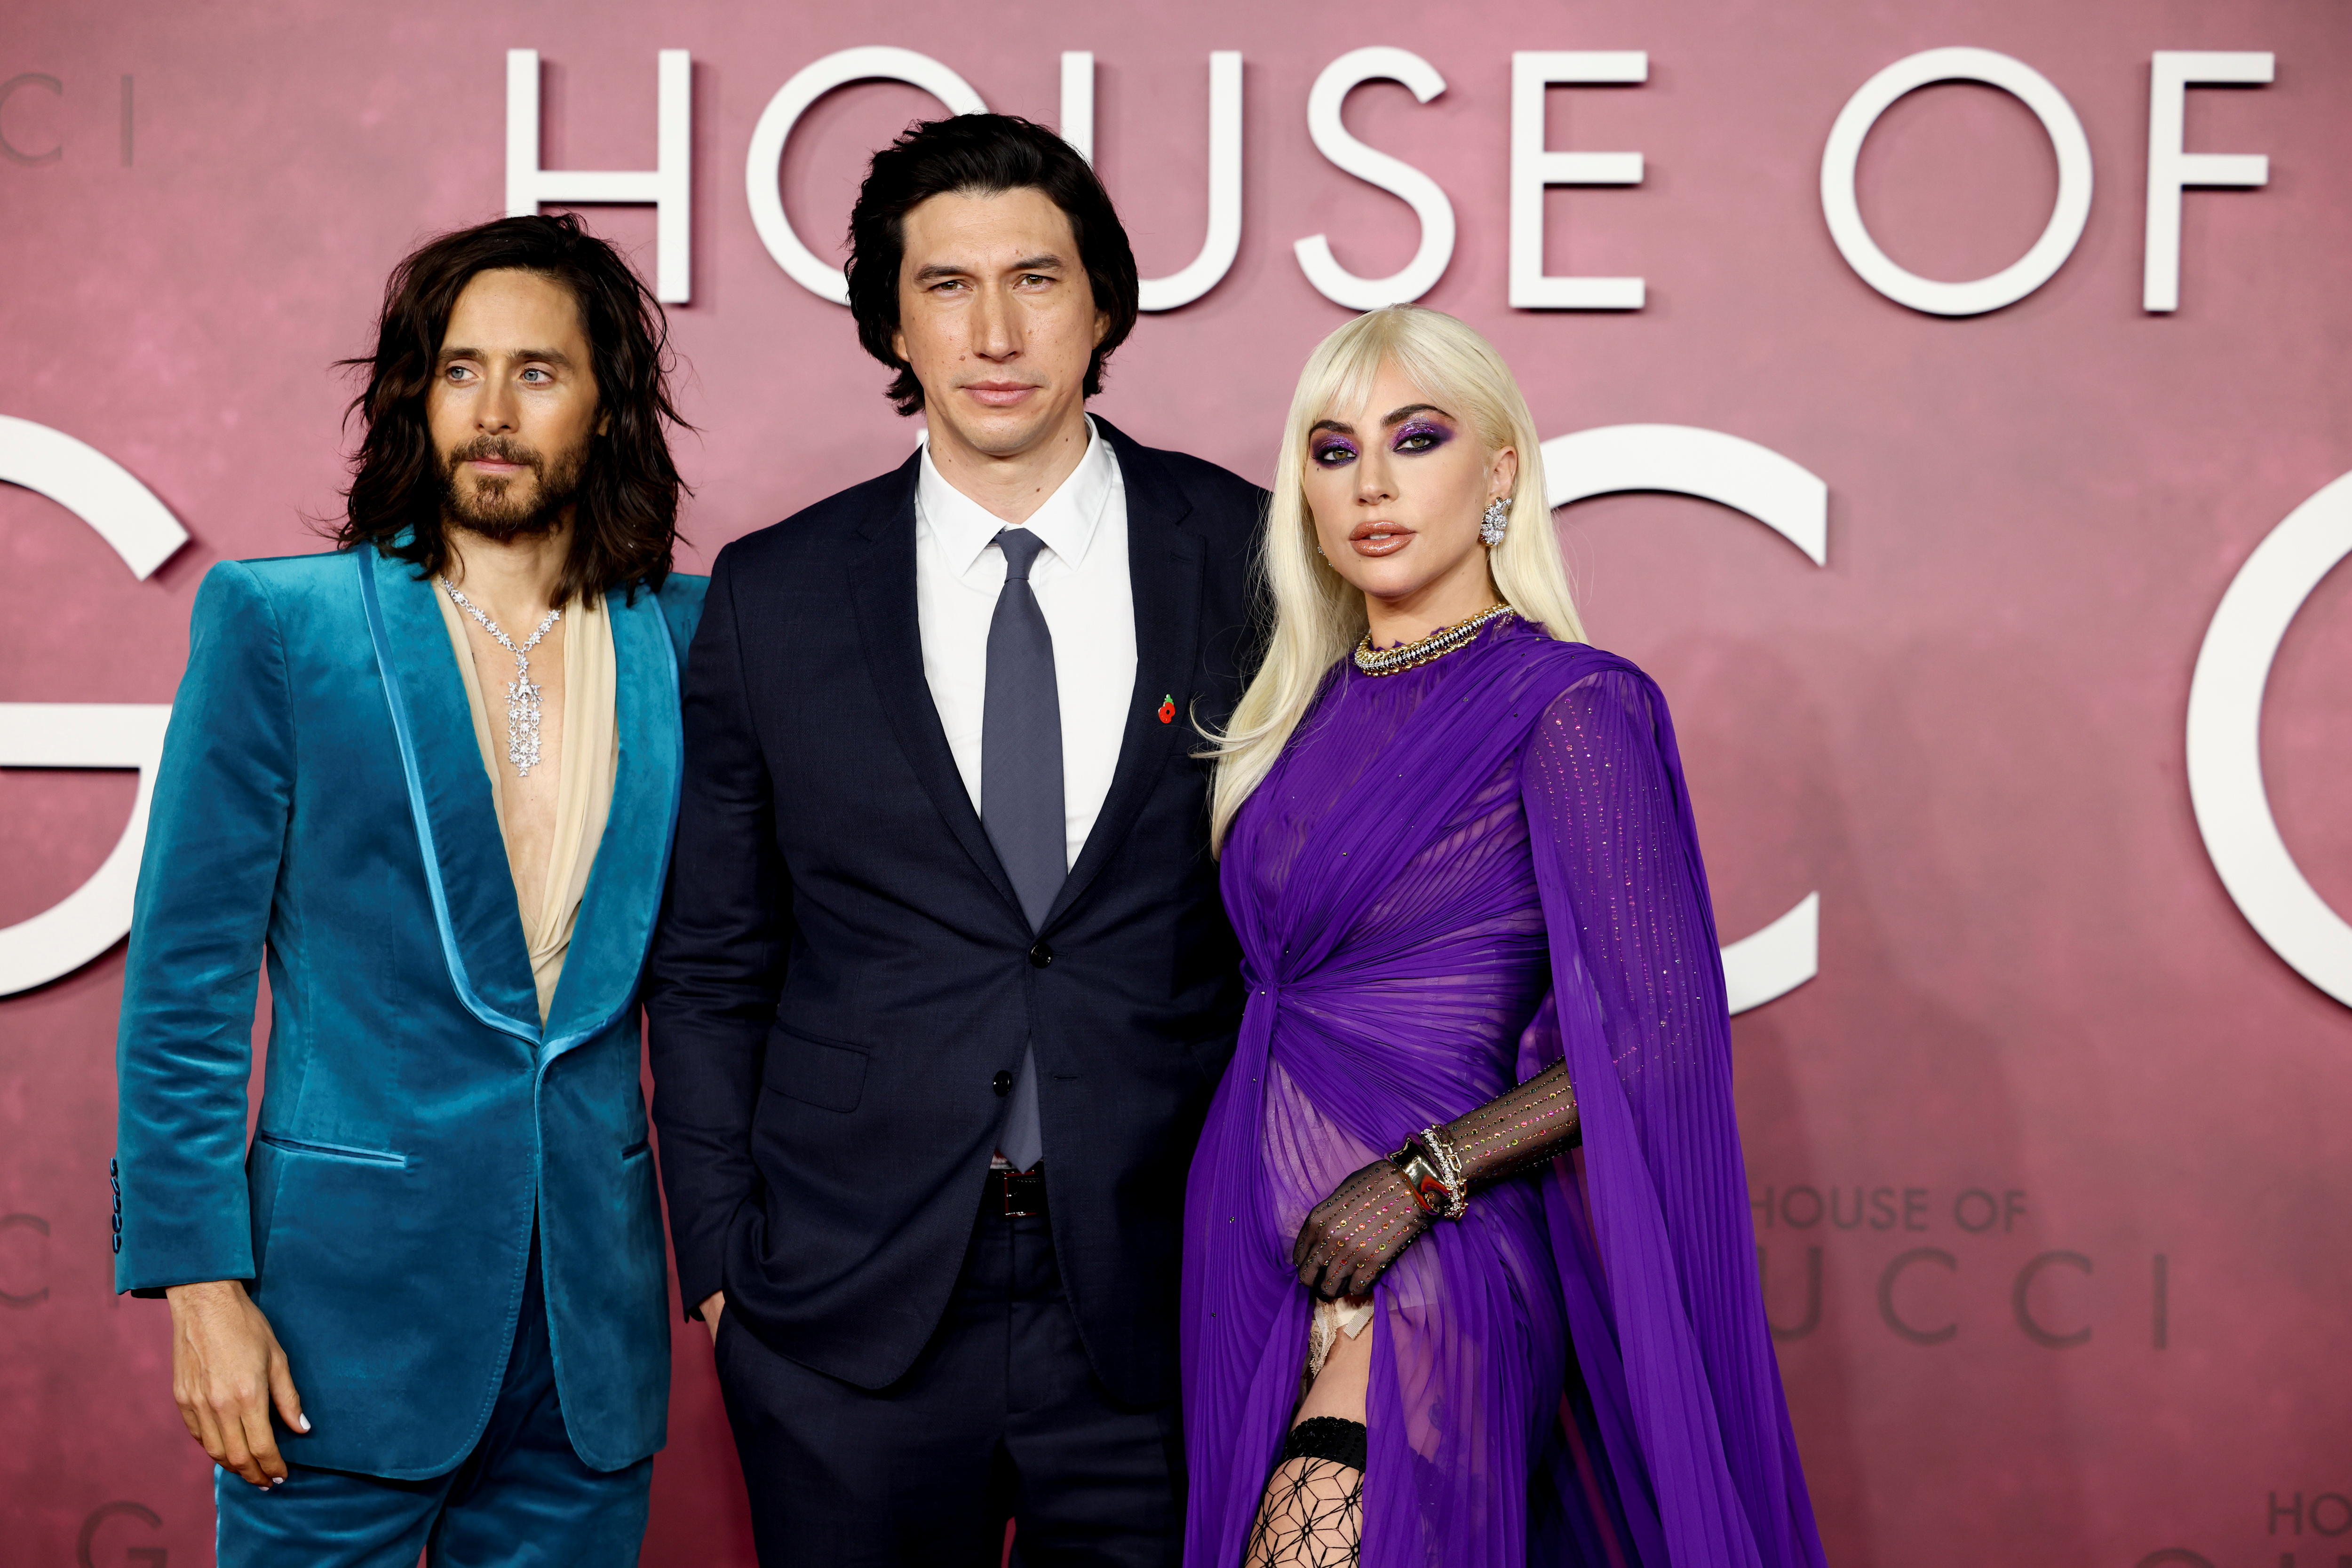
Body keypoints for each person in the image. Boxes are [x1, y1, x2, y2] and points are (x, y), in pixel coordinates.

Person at [645, 114, 1264, 1566]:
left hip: (1161, 1296)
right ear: (892, 321)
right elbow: (715, 957)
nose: (996, 330)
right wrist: (727, 1268)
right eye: (946, 285)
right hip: (843, 1310)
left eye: (1037, 280)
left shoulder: (1249, 556)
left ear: (1104, 305)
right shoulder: (777, 592)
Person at [1184, 305, 1827, 1568]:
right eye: (1331, 449)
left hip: (1436, 1248)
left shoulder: (1572, 703)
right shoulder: (1287, 715)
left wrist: (1422, 1178)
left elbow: (1658, 1039)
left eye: (1415, 439)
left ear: (1499, 474)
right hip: (1258, 1251)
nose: (1369, 482)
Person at [111, 213, 704, 1566]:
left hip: (588, 1346)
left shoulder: (691, 637)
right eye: (457, 370)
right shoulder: (281, 623)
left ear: (607, 404)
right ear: (412, 395)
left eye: (538, 373)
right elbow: (186, 991)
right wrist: (199, 1287)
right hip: (329, 1337)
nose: (492, 413)